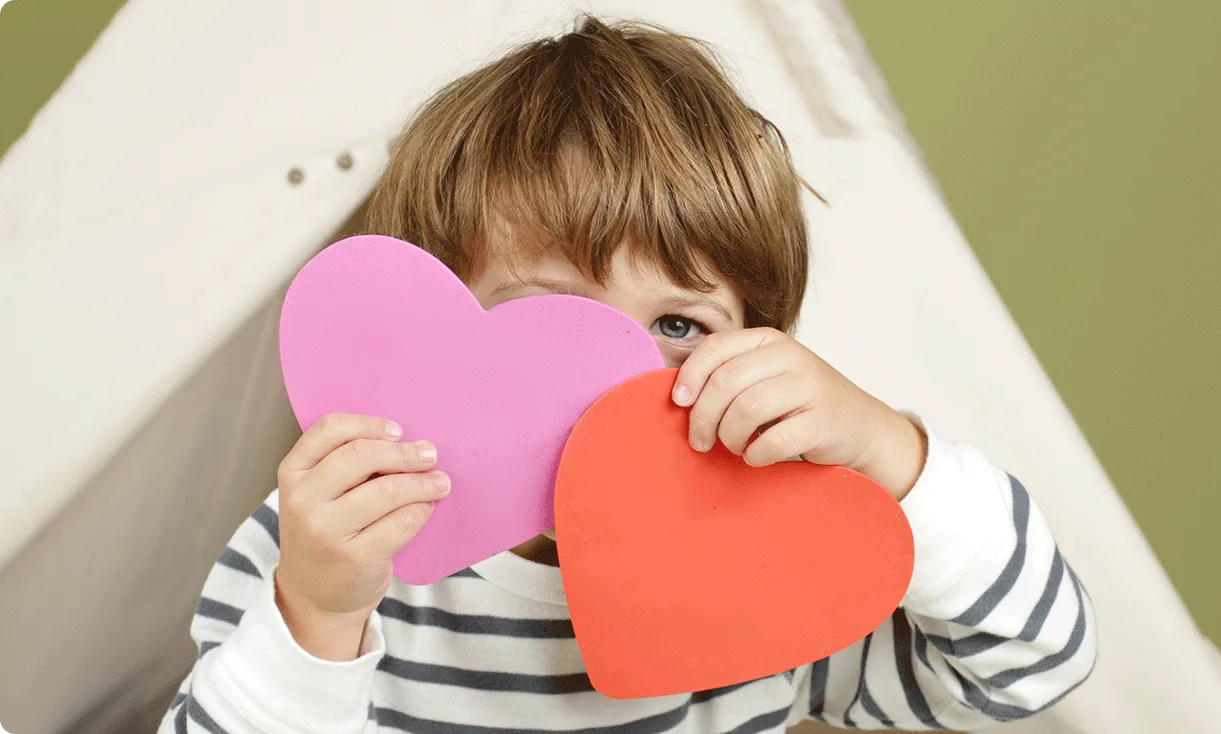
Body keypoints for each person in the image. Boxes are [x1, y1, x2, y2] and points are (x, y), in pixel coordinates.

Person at [157, 16, 1096, 734]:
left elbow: (1026, 666)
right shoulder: (339, 540)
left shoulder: (765, 545)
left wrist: (891, 451)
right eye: (546, 315)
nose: (611, 380)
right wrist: (319, 611)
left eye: (679, 325)